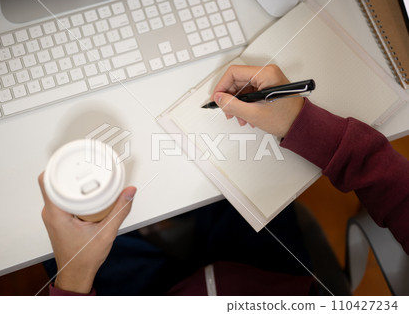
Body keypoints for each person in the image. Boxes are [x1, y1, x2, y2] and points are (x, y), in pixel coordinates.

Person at [38, 64, 409, 296]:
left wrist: (73, 282)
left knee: (63, 228)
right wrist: (301, 123)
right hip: (269, 280)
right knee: (230, 165)